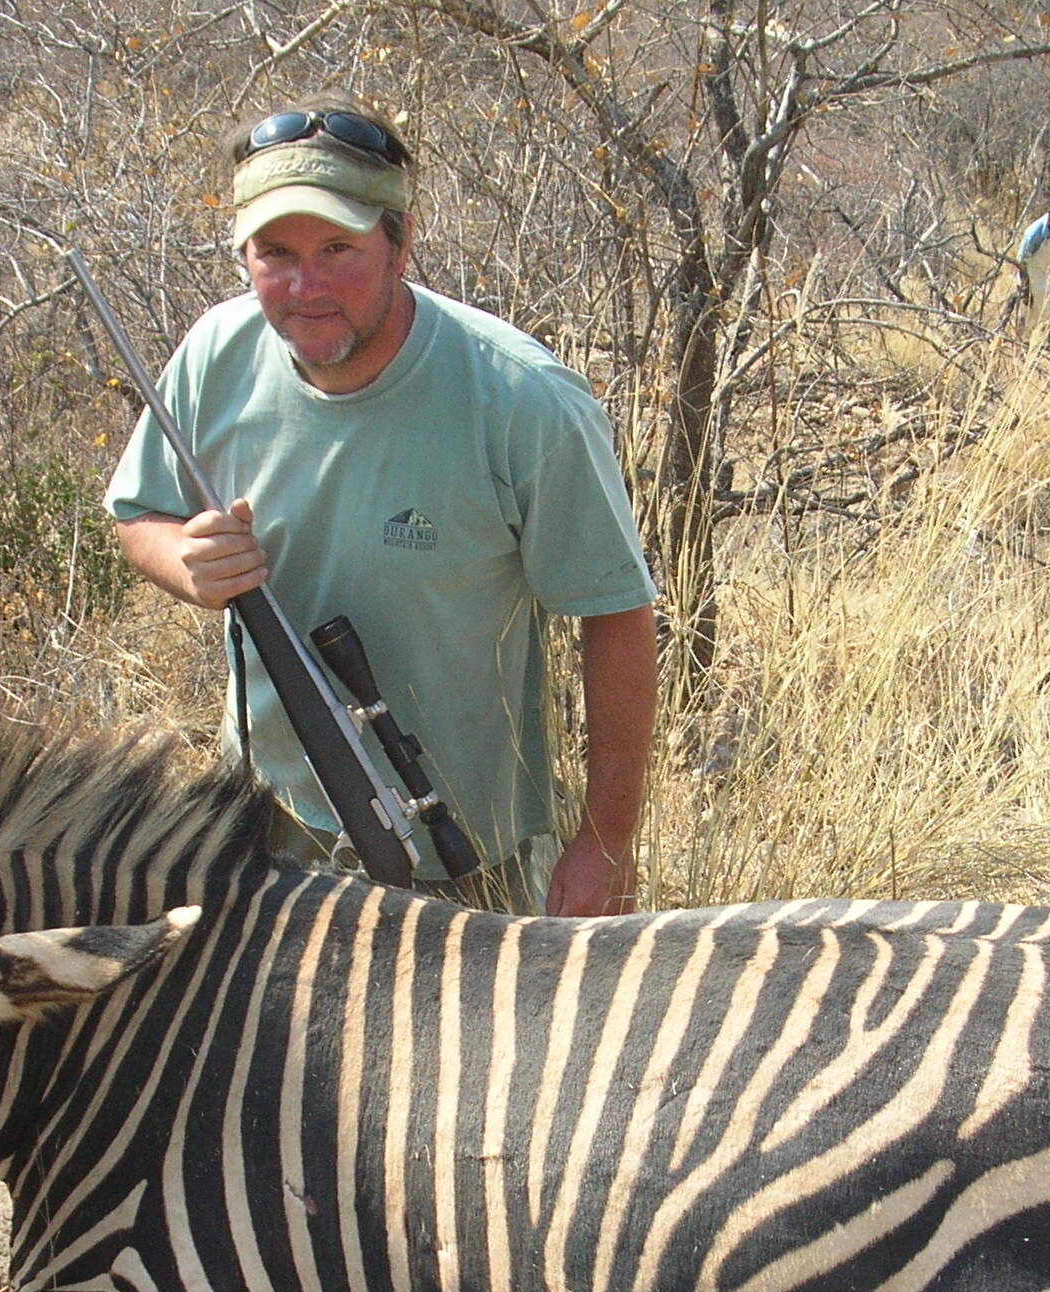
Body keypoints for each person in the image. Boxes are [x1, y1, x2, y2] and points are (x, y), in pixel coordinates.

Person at [103, 94, 659, 916]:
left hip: (469, 849)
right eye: (274, 252)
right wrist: (187, 563)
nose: (305, 284)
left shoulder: (522, 399)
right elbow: (137, 516)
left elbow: (615, 614)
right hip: (266, 832)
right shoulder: (214, 354)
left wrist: (605, 842)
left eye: (338, 248)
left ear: (399, 246)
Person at [1015, 202, 1050, 308]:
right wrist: (1025, 289)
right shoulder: (1034, 235)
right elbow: (1022, 263)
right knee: (1033, 311)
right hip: (1032, 275)